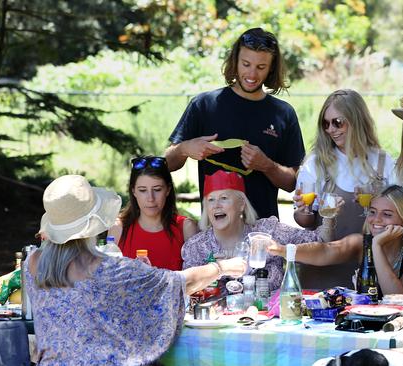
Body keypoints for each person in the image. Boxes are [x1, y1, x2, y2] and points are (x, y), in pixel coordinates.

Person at [27, 175, 246, 364]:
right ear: (93, 224)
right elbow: (179, 283)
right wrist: (221, 267)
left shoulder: (32, 262)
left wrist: (137, 277)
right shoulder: (110, 269)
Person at [165, 27, 305, 219]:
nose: (252, 74)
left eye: (261, 67)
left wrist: (267, 166)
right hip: (215, 230)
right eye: (246, 64)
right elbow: (166, 165)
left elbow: (293, 183)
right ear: (235, 61)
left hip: (263, 233)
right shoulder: (204, 104)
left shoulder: (284, 113)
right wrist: (184, 149)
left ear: (271, 68)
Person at [293, 89, 395, 289]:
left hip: (372, 269)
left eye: (337, 122)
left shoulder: (383, 162)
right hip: (323, 271)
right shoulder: (316, 163)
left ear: (356, 120)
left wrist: (376, 202)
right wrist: (302, 210)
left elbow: (399, 216)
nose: (331, 129)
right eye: (326, 123)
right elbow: (306, 222)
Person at [181, 170, 329, 293]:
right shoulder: (196, 247)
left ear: (241, 205)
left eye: (224, 198)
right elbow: (186, 291)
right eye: (210, 200)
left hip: (271, 324)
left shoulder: (267, 231)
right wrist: (215, 271)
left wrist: (328, 213)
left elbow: (320, 243)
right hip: (217, 326)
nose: (216, 206)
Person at [270, 185, 403, 296]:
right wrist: (282, 250)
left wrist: (376, 246)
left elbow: (398, 298)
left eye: (387, 214)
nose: (376, 220)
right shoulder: (361, 243)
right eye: (372, 212)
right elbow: (326, 250)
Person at [107, 155, 198, 270]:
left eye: (157, 189)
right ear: (133, 191)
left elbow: (199, 282)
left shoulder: (186, 228)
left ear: (168, 190)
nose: (150, 198)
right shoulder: (118, 228)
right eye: (143, 190)